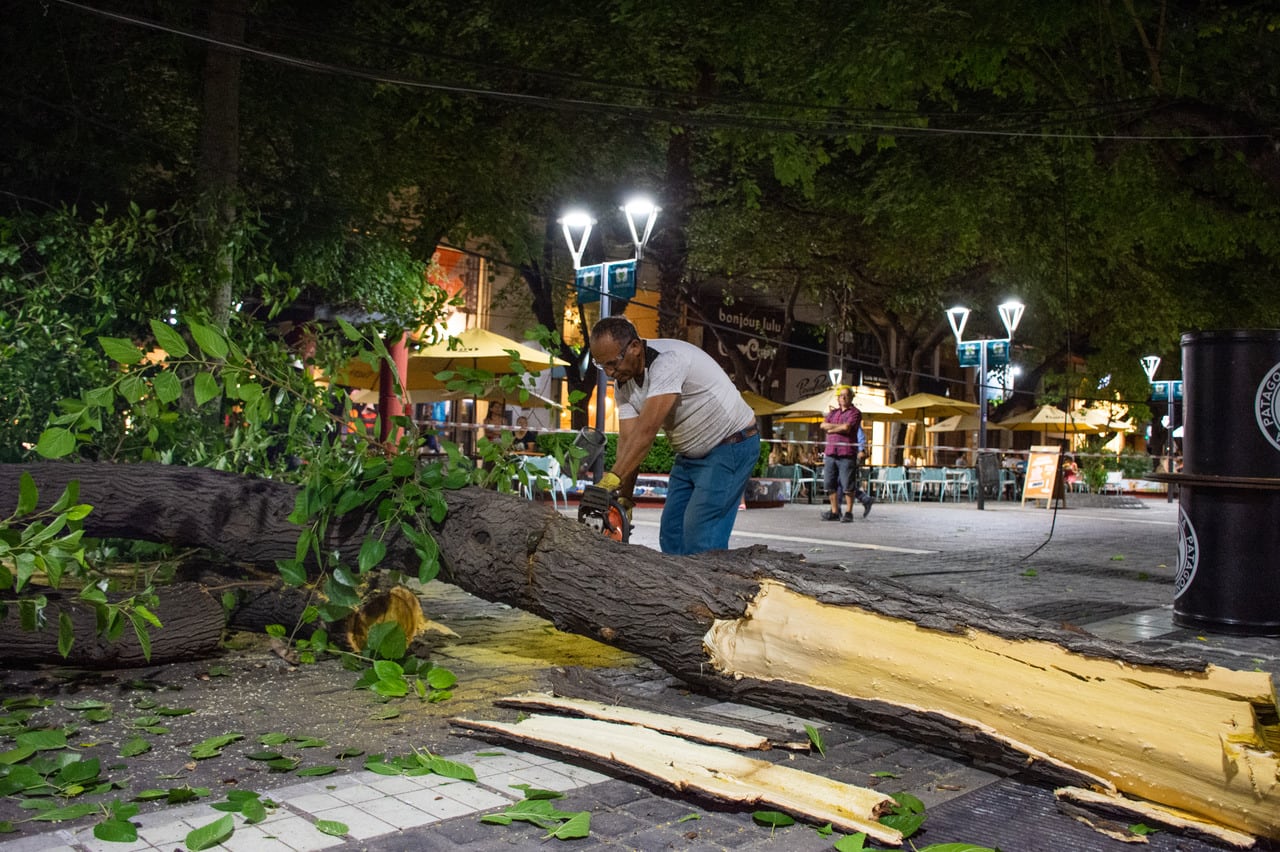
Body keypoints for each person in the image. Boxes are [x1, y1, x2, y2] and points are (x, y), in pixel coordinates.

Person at [580, 316, 759, 555]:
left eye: (613, 363)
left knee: (701, 537)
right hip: (689, 455)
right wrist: (624, 498)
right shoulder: (623, 385)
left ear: (634, 347)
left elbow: (647, 431)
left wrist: (610, 480)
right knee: (671, 533)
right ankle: (680, 591)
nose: (610, 373)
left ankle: (708, 590)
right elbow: (629, 443)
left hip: (730, 445)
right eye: (602, 367)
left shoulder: (666, 361)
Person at [820, 386, 873, 521]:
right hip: (831, 452)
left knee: (848, 485)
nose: (843, 397)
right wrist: (837, 428)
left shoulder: (855, 413)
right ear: (838, 398)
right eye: (841, 395)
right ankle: (835, 511)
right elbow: (823, 425)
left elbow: (847, 427)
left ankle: (849, 513)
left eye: (846, 395)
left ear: (851, 398)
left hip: (846, 453)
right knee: (830, 484)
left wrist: (832, 429)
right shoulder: (833, 413)